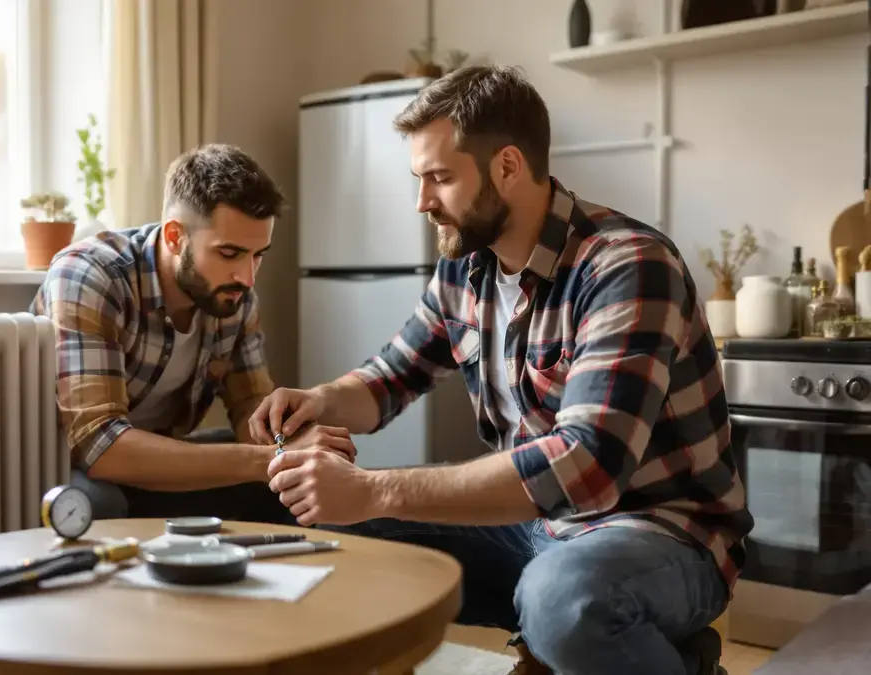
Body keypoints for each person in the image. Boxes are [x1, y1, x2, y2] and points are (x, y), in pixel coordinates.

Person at [249, 67, 753, 675]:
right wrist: (320, 400)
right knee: (331, 535)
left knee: (566, 603)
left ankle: (627, 650)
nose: (422, 202)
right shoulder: (466, 270)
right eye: (420, 179)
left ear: (508, 166)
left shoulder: (628, 266)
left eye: (440, 178)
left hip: (659, 533)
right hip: (535, 526)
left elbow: (587, 468)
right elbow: (389, 379)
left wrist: (373, 489)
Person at [32, 143, 354, 524]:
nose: (248, 277)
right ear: (174, 237)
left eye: (258, 254)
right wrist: (271, 458)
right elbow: (98, 446)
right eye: (229, 253)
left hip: (155, 458)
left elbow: (251, 410)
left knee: (291, 486)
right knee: (99, 503)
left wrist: (294, 447)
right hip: (67, 465)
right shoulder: (92, 275)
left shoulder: (232, 294)